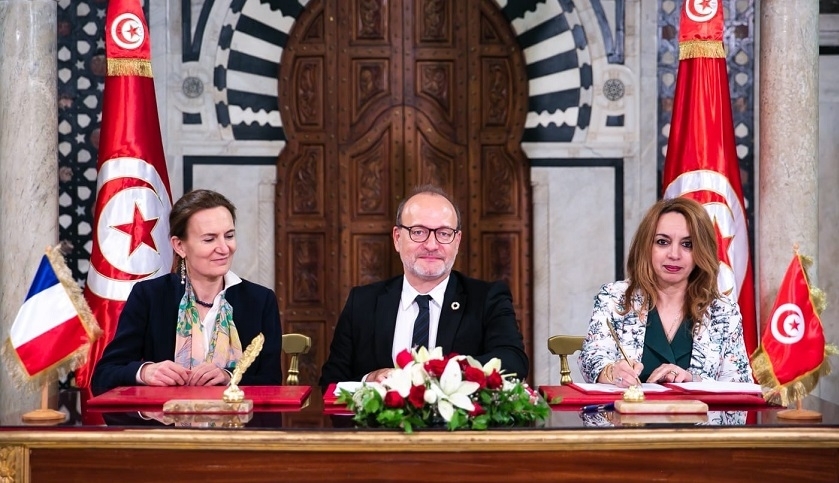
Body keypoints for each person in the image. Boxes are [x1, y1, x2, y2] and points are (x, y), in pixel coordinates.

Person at [319, 185, 528, 385]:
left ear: (457, 241)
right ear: (397, 238)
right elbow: (331, 382)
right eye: (418, 232)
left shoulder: (487, 299)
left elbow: (513, 364)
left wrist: (441, 372)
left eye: (444, 233)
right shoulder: (362, 302)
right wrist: (370, 379)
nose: (431, 245)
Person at [91, 189, 282, 393]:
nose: (224, 248)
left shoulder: (260, 300)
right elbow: (104, 375)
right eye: (209, 239)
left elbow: (272, 382)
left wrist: (229, 377)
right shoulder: (149, 296)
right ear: (180, 246)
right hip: (165, 423)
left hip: (239, 423)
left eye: (229, 236)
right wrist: (145, 372)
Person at [578, 197, 753, 387]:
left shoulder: (723, 311)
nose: (674, 255)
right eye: (662, 242)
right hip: (628, 415)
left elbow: (740, 386)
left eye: (688, 244)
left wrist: (693, 381)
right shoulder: (615, 298)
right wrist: (611, 372)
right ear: (646, 246)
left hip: (698, 417)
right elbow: (591, 359)